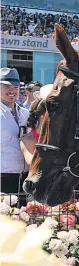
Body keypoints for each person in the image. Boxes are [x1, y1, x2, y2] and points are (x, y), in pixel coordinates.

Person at [0, 68, 30, 200]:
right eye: (7, 87)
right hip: (3, 176)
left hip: (25, 176)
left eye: (15, 87)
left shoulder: (26, 113)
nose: (12, 91)